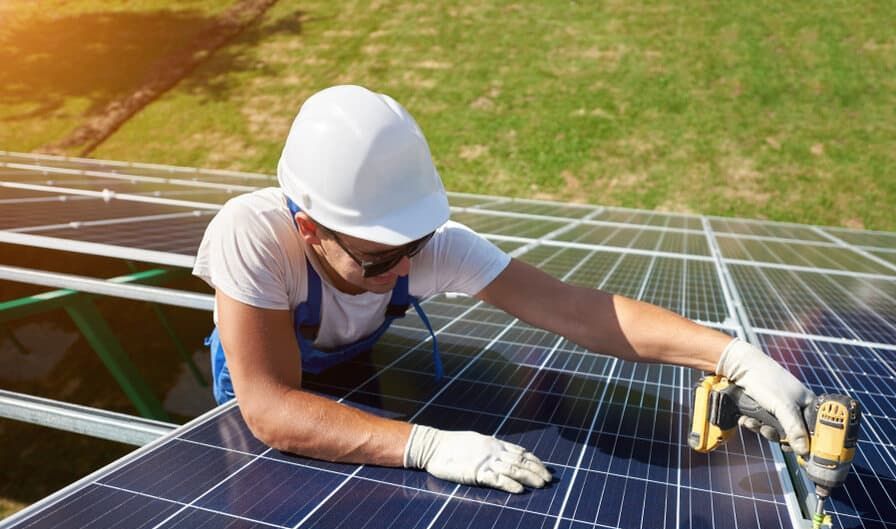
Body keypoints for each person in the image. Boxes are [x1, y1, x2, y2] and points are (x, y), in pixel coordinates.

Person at [193, 85, 815, 494]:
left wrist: (733, 356)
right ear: (308, 228)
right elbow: (271, 407)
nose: (403, 265)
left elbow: (578, 311)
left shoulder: (422, 246)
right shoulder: (251, 236)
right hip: (261, 401)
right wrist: (424, 444)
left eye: (413, 244)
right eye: (378, 255)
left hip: (353, 373)